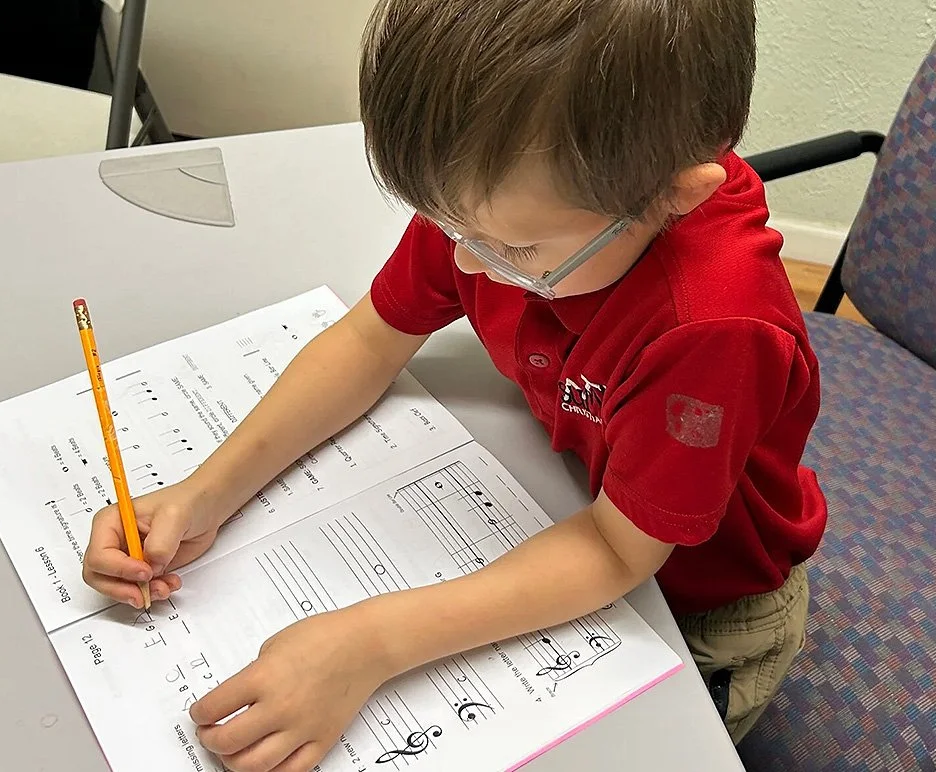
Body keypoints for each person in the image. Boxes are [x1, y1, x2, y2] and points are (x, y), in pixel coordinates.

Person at [82, 1, 827, 769]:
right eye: (447, 227)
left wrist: (368, 643)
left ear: (676, 195)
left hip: (702, 605)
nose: (468, 266)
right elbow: (370, 338)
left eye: (516, 248)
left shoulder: (712, 329)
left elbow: (616, 550)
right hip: (571, 499)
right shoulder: (494, 199)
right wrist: (204, 491)